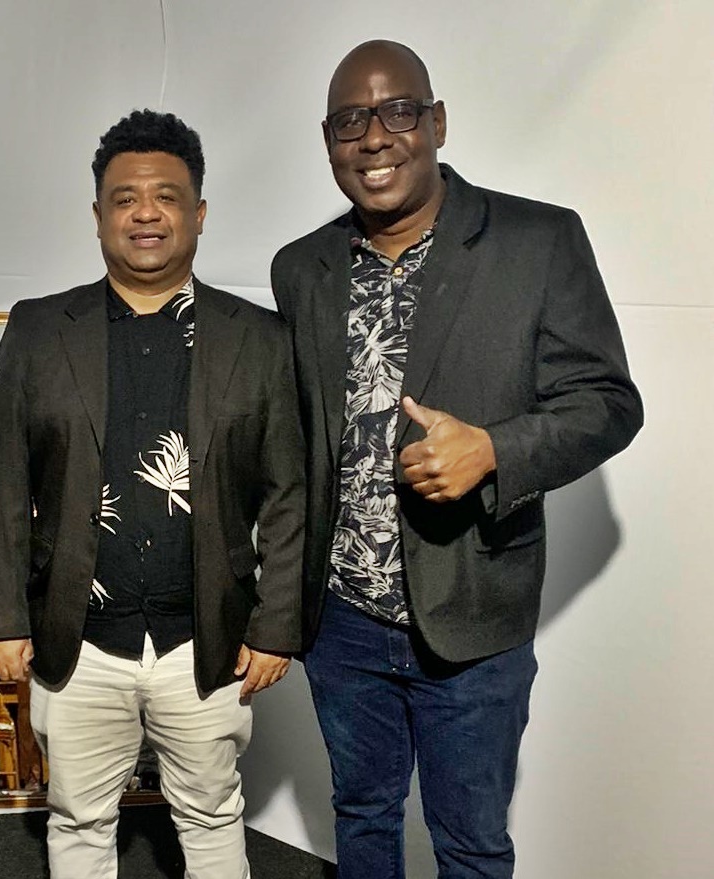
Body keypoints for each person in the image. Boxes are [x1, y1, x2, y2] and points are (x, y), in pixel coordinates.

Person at [271, 40, 643, 879]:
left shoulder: (538, 240)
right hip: (341, 622)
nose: (375, 137)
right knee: (362, 820)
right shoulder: (300, 268)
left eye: (398, 111)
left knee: (471, 844)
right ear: (328, 142)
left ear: (436, 122)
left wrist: (494, 449)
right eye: (350, 121)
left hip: (474, 620)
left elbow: (610, 402)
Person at [0, 109, 305, 878]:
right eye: (125, 198)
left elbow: (289, 491)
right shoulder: (39, 329)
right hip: (78, 637)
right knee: (79, 820)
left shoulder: (260, 338)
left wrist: (277, 624)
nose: (145, 213)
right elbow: (0, 482)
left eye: (166, 196)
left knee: (212, 815)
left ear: (199, 212)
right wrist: (1, 615)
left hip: (209, 638)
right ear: (98, 215)